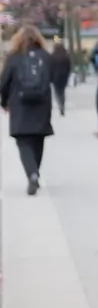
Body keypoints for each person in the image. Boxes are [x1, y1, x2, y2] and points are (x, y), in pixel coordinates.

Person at [0, 25, 53, 195]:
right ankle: (35, 172)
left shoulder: (13, 57)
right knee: (38, 140)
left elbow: (3, 82)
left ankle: (32, 174)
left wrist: (4, 101)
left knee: (24, 142)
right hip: (42, 104)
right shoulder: (45, 57)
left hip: (20, 104)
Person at [49, 39, 72, 115]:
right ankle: (62, 105)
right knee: (62, 92)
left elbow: (50, 67)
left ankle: (60, 105)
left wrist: (50, 77)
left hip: (55, 77)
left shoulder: (52, 56)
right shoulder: (66, 56)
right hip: (64, 77)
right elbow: (69, 67)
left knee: (57, 92)